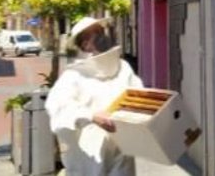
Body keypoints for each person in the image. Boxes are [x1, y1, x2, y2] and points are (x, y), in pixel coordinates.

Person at [45, 17, 143, 176]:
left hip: (121, 148)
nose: (102, 36)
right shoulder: (74, 76)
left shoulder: (123, 68)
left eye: (101, 31)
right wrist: (91, 116)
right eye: (95, 33)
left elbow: (137, 94)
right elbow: (58, 106)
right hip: (88, 155)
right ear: (84, 44)